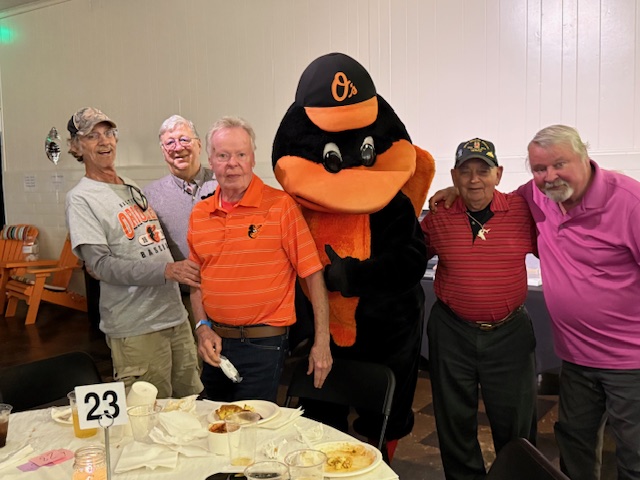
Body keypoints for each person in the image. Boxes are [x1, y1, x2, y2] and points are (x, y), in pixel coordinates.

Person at [431, 125, 640, 480]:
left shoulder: (628, 201)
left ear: (585, 157)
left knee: (634, 456)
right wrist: (457, 190)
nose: (550, 176)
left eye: (559, 164)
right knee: (574, 446)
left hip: (628, 358)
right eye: (540, 168)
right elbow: (482, 196)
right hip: (574, 356)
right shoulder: (535, 198)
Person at [188, 116, 333, 402]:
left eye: (241, 154)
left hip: (264, 344)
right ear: (211, 161)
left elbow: (313, 274)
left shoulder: (280, 207)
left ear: (253, 159)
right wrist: (202, 328)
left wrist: (322, 342)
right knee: (212, 422)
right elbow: (195, 280)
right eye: (223, 155)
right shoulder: (200, 214)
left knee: (253, 423)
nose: (232, 163)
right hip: (215, 343)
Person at [65, 106, 203, 399]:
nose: (104, 141)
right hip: (137, 327)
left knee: (191, 405)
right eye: (92, 136)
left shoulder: (130, 186)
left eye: (108, 133)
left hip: (174, 317)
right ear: (76, 147)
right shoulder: (81, 199)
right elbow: (100, 265)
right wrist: (168, 270)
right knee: (148, 414)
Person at [421, 138, 537, 480]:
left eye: (483, 171)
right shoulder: (439, 215)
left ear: (498, 174)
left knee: (516, 424)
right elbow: (409, 256)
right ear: (454, 176)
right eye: (465, 172)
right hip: (452, 332)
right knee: (454, 421)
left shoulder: (522, 211)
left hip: (510, 334)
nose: (474, 180)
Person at [144, 115, 218, 324]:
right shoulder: (149, 196)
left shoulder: (224, 184)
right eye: (170, 142)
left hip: (228, 295)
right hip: (180, 303)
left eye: (184, 139)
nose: (178, 148)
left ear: (199, 145)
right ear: (163, 150)